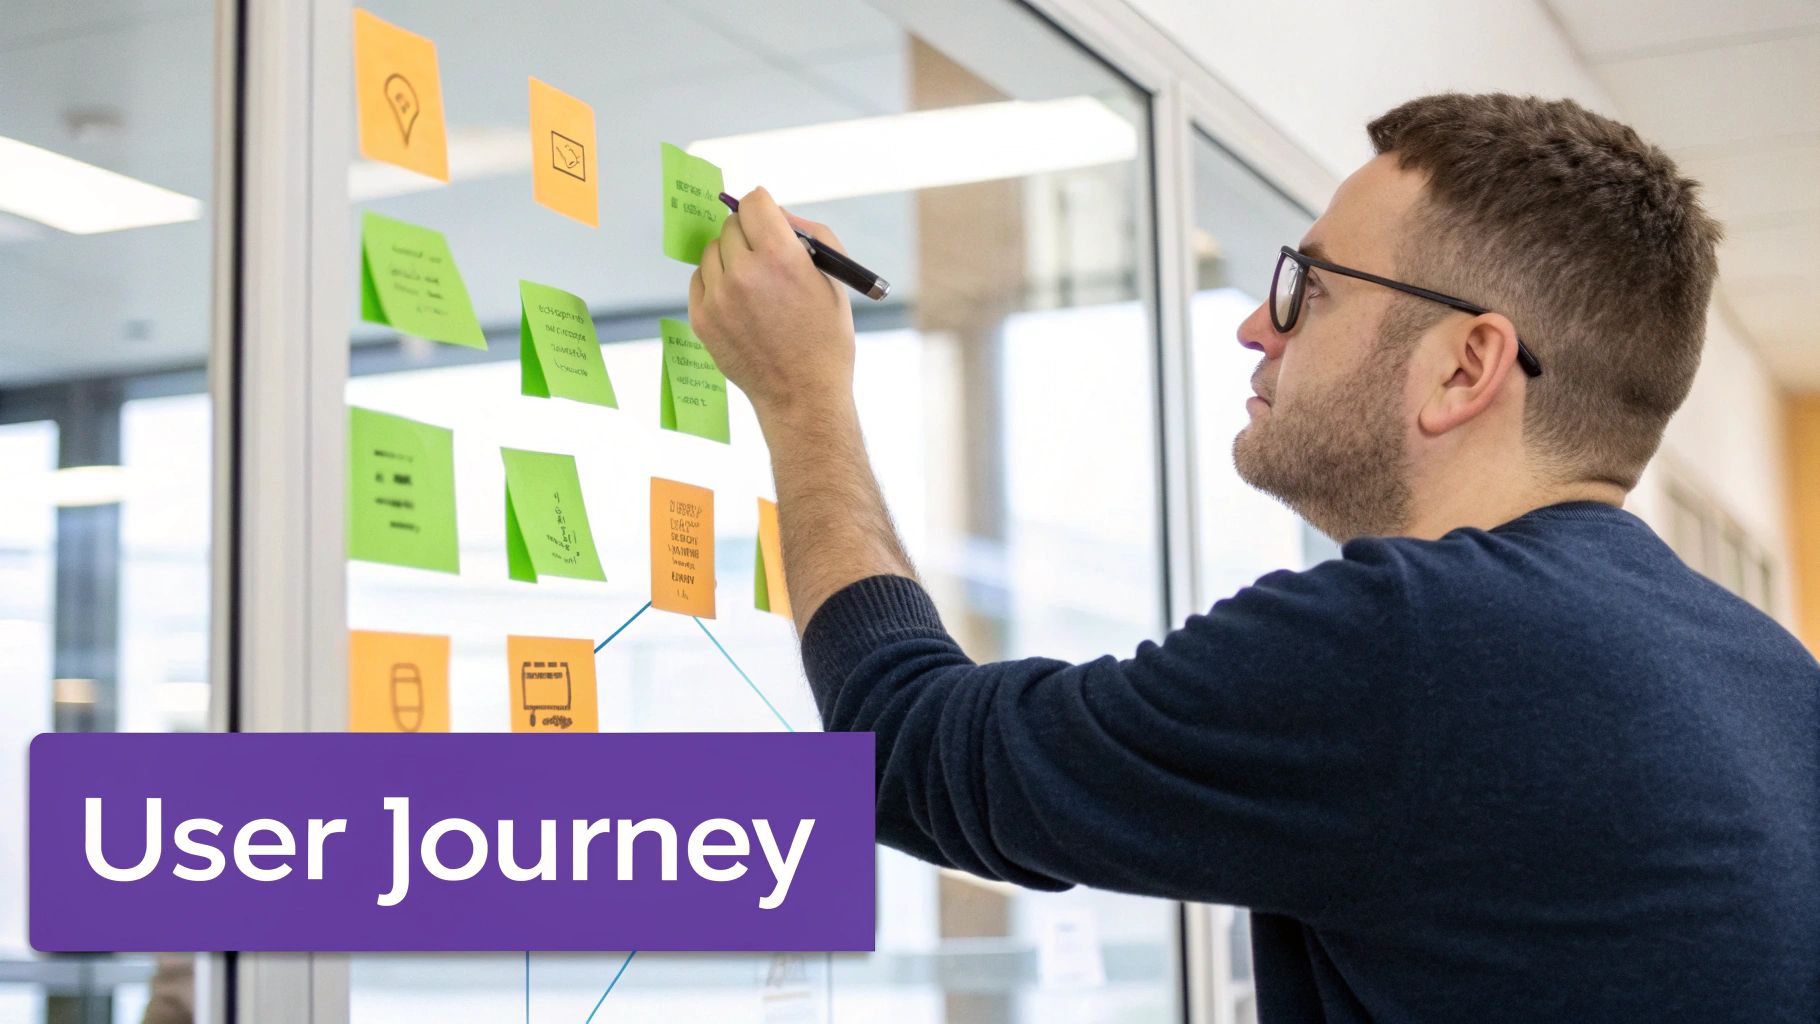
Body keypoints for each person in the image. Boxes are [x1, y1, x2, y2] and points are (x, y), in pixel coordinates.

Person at [687, 92, 1819, 1023]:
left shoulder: (1419, 640)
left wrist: (801, 393)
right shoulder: (1772, 674)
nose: (1254, 326)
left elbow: (912, 749)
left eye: (1307, 289)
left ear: (1465, 367)